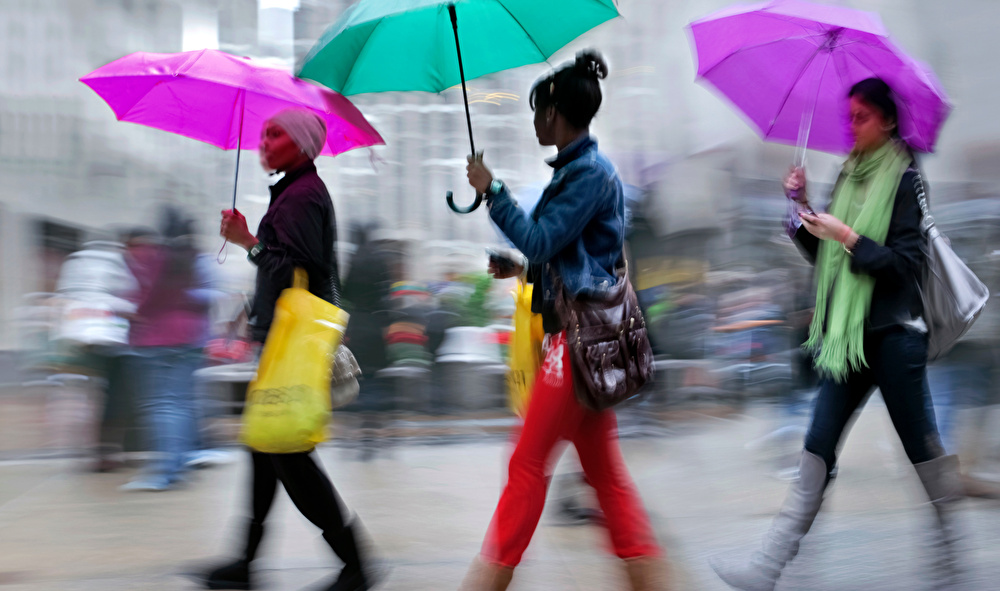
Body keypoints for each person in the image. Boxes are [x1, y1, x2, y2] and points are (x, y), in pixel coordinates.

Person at [710, 78, 964, 591]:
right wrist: (799, 207)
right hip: (847, 339)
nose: (851, 126)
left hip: (894, 336)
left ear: (888, 121)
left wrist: (848, 235)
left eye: (861, 117)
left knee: (922, 448)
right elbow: (826, 256)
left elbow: (904, 265)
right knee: (815, 448)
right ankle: (768, 567)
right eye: (848, 117)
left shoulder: (906, 180)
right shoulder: (846, 177)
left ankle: (949, 551)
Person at [463, 49, 666, 591]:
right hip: (580, 343)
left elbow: (544, 237)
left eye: (537, 111)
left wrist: (493, 191)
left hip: (575, 349)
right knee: (604, 474)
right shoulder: (581, 170)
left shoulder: (588, 175)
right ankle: (650, 575)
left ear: (554, 114)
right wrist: (521, 268)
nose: (533, 121)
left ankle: (487, 581)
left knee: (527, 463)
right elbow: (568, 257)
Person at [203, 109, 375, 591]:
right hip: (280, 339)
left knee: (289, 455)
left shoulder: (301, 196)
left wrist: (248, 242)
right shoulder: (294, 191)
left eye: (275, 134)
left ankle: (356, 564)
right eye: (263, 133)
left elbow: (292, 269)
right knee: (264, 448)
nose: (264, 141)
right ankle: (246, 562)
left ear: (300, 145)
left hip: (292, 345)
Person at [120, 212, 209, 492]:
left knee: (161, 406)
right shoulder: (191, 258)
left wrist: (130, 311)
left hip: (157, 339)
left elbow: (146, 298)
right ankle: (178, 465)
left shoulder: (155, 258)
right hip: (189, 337)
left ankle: (165, 474)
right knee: (180, 404)